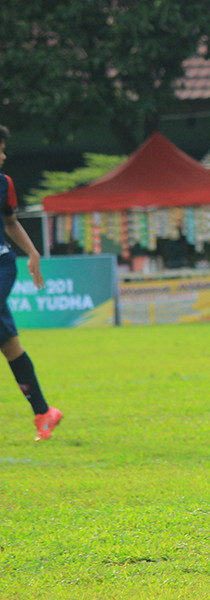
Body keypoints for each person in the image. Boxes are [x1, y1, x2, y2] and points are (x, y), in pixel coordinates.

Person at [0, 125, 62, 442]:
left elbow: (10, 222)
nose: (3, 156)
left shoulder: (4, 184)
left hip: (1, 266)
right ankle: (44, 413)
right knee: (9, 345)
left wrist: (33, 252)